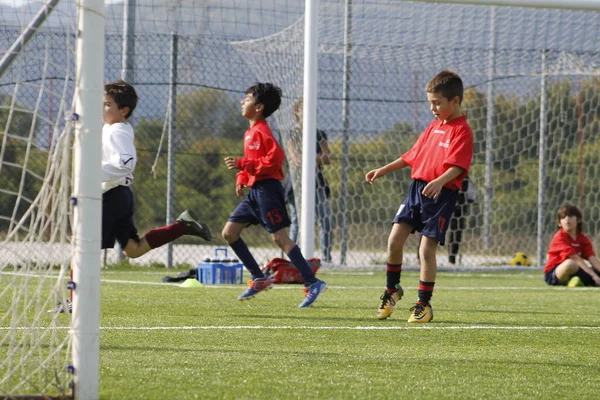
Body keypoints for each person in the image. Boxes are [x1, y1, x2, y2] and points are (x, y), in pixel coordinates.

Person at [50, 79, 213, 313]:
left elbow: (126, 163)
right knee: (133, 249)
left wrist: (91, 171)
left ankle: (75, 301)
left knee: (82, 248)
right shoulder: (110, 128)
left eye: (107, 104)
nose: (101, 108)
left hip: (110, 197)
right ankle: (182, 226)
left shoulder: (118, 131)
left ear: (123, 111)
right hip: (118, 196)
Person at [365, 70, 473, 323]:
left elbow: (458, 167)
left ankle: (423, 304)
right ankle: (392, 291)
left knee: (426, 250)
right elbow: (411, 155)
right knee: (394, 240)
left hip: (441, 195)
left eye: (437, 103)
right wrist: (384, 169)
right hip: (417, 190)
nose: (433, 108)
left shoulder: (462, 131)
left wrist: (439, 181)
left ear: (454, 102)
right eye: (430, 103)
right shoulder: (433, 127)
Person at [222, 82, 327, 308]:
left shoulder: (262, 130)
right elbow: (252, 162)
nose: (242, 101)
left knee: (280, 238)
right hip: (254, 192)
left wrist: (243, 164)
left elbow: (276, 159)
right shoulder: (250, 132)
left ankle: (312, 282)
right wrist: (242, 176)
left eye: (247, 98)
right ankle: (259, 277)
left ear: (259, 107)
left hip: (267, 190)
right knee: (229, 233)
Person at [284, 99, 333, 263]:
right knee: (297, 221)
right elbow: (295, 159)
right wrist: (315, 158)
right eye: (303, 109)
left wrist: (312, 158)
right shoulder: (291, 133)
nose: (307, 112)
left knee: (325, 219)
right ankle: (293, 258)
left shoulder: (319, 134)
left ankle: (326, 258)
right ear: (296, 112)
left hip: (317, 181)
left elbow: (327, 158)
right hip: (296, 182)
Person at [544, 203, 600, 287]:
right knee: (570, 264)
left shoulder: (583, 239)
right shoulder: (559, 236)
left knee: (594, 269)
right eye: (563, 217)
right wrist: (593, 275)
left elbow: (592, 258)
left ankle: (578, 281)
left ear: (578, 220)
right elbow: (575, 258)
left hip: (577, 269)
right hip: (554, 273)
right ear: (559, 223)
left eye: (570, 216)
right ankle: (583, 280)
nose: (567, 219)